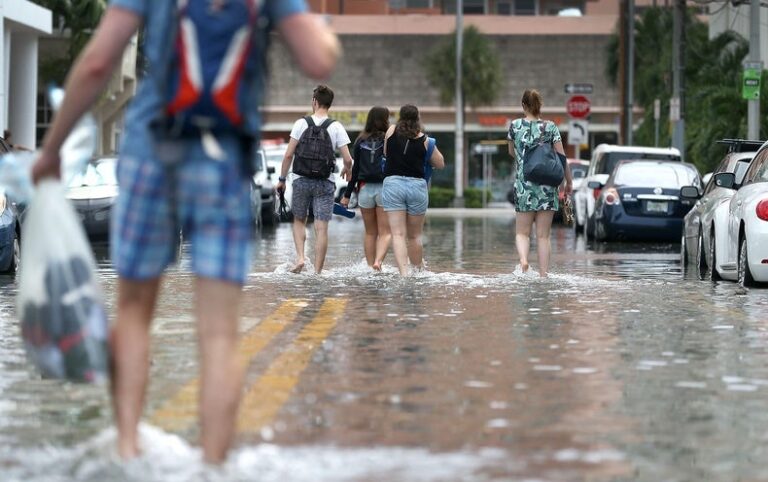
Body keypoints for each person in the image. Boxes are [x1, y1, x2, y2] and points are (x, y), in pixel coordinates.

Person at [31, 0, 339, 464]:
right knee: (219, 335)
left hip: (151, 154)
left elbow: (98, 62)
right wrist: (325, 29)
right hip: (223, 165)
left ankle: (128, 449)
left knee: (134, 313)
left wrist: (50, 149)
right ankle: (213, 467)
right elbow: (318, 58)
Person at [276, 85, 353, 274]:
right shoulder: (336, 126)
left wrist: (282, 179)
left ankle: (301, 258)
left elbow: (288, 155)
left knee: (299, 221)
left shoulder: (301, 123)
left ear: (314, 101)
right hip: (325, 182)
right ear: (329, 104)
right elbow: (348, 159)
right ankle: (317, 272)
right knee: (321, 227)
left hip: (301, 180)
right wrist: (347, 170)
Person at [507, 89, 573, 277]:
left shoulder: (515, 126)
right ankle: (544, 274)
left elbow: (511, 152)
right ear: (540, 105)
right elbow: (561, 158)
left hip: (524, 186)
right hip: (547, 188)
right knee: (543, 236)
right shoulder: (551, 127)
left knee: (522, 233)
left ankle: (524, 261)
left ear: (523, 105)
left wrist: (522, 156)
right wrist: (568, 181)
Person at [381, 104, 444, 276]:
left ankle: (404, 273)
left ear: (400, 117)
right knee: (415, 236)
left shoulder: (391, 131)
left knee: (398, 234)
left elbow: (386, 153)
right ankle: (418, 272)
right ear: (418, 119)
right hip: (417, 186)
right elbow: (440, 163)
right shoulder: (426, 140)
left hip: (393, 184)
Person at [340, 106, 391, 271]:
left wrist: (347, 195)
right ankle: (379, 262)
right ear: (385, 119)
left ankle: (370, 267)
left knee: (370, 232)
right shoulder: (388, 139)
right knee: (385, 232)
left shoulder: (360, 140)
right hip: (384, 189)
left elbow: (354, 172)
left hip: (364, 190)